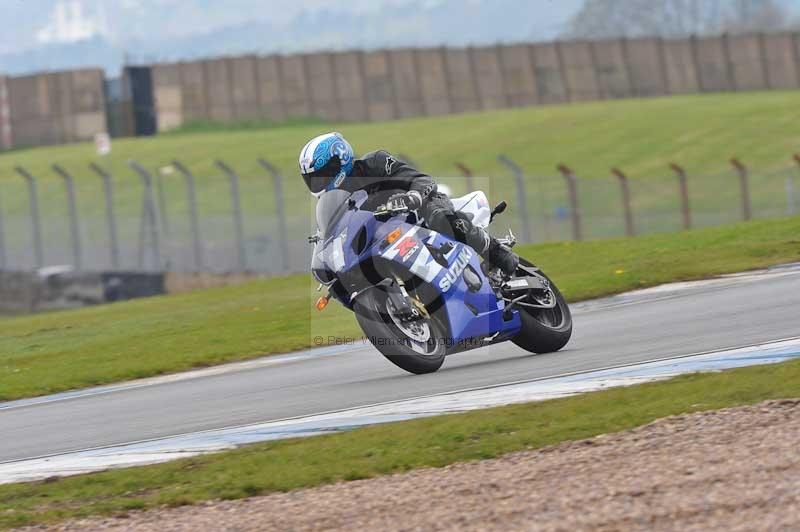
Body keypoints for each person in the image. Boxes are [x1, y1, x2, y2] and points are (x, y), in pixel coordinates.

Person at [299, 132, 519, 276]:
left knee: (439, 217)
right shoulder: (332, 204)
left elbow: (421, 179)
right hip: (386, 239)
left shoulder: (375, 164)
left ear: (341, 159)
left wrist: (413, 196)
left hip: (420, 210)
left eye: (323, 174)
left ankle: (496, 252)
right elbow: (330, 234)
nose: (320, 182)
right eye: (313, 178)